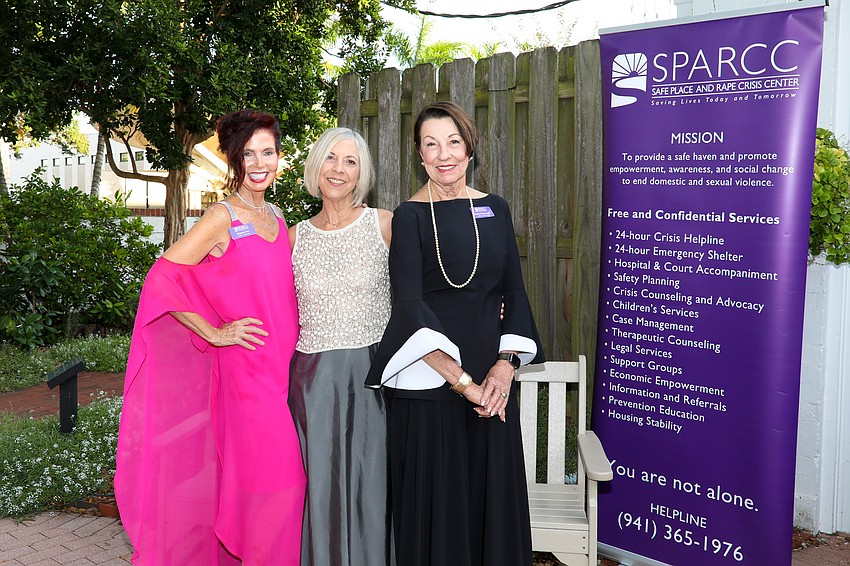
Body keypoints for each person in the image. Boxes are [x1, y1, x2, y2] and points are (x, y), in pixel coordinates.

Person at [115, 109, 306, 565]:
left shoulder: (277, 218)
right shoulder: (222, 217)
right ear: (231, 161)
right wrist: (215, 332)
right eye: (247, 155)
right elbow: (162, 278)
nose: (259, 163)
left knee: (261, 492)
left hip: (285, 372)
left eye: (268, 152)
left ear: (280, 157)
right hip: (248, 375)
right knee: (283, 487)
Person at [366, 101, 545, 566]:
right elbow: (408, 307)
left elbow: (515, 293)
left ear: (470, 148)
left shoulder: (496, 209)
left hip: (492, 391)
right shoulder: (408, 217)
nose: (443, 154)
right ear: (419, 156)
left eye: (453, 142)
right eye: (431, 144)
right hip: (431, 388)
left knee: (492, 514)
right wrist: (463, 383)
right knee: (437, 519)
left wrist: (503, 372)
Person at [287, 127, 394, 566]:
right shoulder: (293, 237)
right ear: (316, 167)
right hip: (312, 382)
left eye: (350, 161)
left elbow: (425, 294)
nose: (339, 169)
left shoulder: (385, 224)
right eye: (331, 158)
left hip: (375, 377)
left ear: (361, 173)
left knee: (373, 486)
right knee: (322, 488)